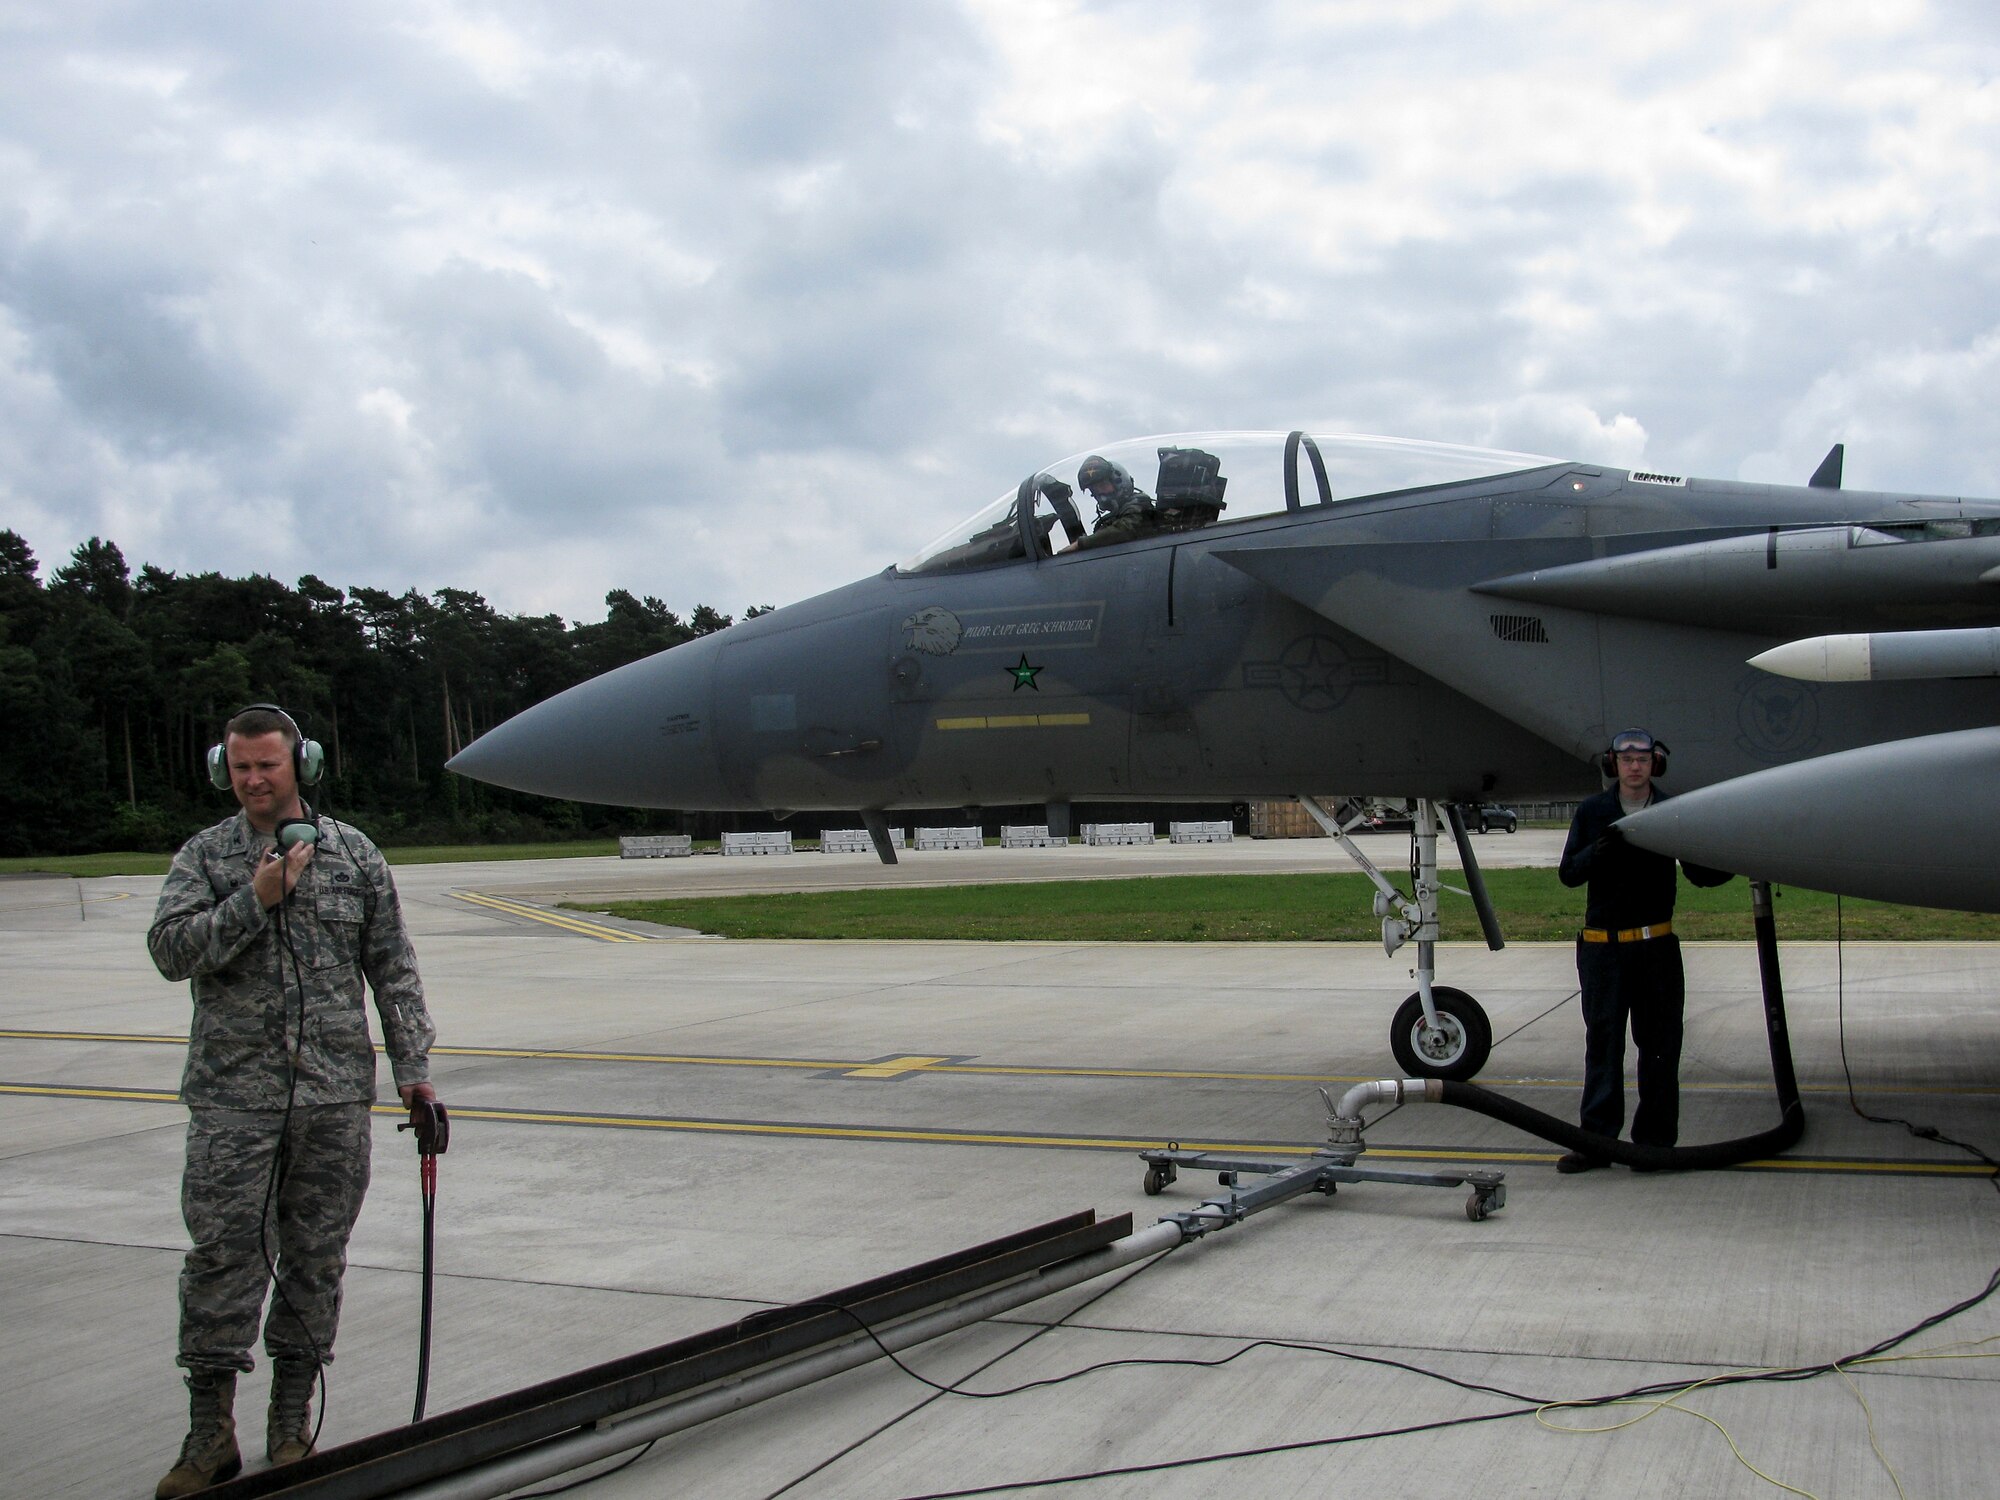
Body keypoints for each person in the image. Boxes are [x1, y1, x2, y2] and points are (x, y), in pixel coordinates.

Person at [147, 706, 438, 1495]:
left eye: (267, 766)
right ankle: (210, 1434)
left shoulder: (354, 855)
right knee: (220, 1263)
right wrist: (256, 897)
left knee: (316, 1261)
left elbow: (392, 966)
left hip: (334, 1098)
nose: (253, 781)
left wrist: (413, 1069)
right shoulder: (206, 857)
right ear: (223, 771)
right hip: (232, 1104)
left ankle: (289, 1423)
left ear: (300, 766)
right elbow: (170, 952)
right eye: (240, 768)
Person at [1555, 728, 1731, 1173]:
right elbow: (1569, 874)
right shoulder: (1594, 812)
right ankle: (1597, 1143)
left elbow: (1700, 873)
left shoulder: (1671, 810)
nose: (1635, 766)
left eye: (1643, 759)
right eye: (1626, 759)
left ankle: (1653, 1144)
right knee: (1603, 1048)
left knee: (1659, 1047)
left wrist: (1742, 855)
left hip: (1655, 951)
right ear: (1614, 764)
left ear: (1656, 764)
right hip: (1604, 952)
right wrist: (1599, 852)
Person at [1064, 455, 1156, 551]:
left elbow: (1125, 530)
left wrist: (1080, 544)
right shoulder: (1110, 521)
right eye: (1095, 489)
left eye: (1103, 485)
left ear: (1120, 483)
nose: (1100, 492)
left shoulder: (1140, 506)